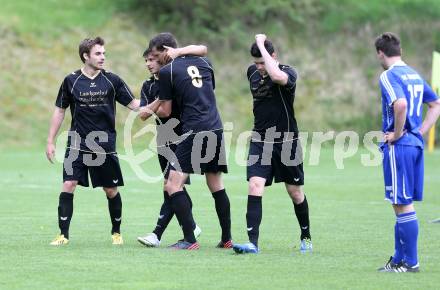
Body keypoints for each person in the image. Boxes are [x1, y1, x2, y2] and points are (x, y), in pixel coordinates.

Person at [46, 37, 140, 246]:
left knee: (110, 190)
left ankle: (116, 233)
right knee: (69, 184)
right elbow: (60, 110)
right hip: (77, 143)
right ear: (85, 56)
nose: (103, 57)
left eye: (104, 53)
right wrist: (50, 140)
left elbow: (134, 105)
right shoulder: (71, 81)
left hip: (103, 145)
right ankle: (63, 235)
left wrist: (160, 100)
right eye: (98, 53)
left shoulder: (112, 80)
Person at [148, 32, 233, 250]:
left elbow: (166, 111)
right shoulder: (205, 63)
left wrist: (150, 106)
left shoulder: (167, 72)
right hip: (215, 126)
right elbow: (206, 81)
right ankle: (226, 239)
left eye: (158, 55)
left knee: (172, 185)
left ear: (168, 50)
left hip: (193, 130)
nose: (156, 61)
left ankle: (189, 240)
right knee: (215, 184)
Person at [233, 34, 312, 254]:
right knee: (255, 185)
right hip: (260, 140)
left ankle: (306, 236)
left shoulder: (288, 72)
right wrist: (259, 58)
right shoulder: (252, 73)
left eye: (261, 62)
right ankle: (252, 243)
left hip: (287, 141)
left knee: (295, 192)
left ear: (272, 55)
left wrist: (261, 44)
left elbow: (277, 76)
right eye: (255, 62)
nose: (258, 67)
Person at [374, 32, 440, 272]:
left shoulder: (389, 76)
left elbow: (399, 104)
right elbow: (436, 104)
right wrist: (421, 131)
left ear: (381, 53)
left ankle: (410, 262)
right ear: (399, 51)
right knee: (399, 203)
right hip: (414, 145)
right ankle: (398, 258)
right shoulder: (413, 74)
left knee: (402, 204)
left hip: (400, 146)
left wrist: (399, 133)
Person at [136, 44, 209, 247]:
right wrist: (160, 100)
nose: (149, 64)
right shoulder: (148, 85)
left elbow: (165, 111)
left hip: (183, 138)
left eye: (152, 59)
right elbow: (144, 113)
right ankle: (192, 226)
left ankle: (157, 234)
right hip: (163, 140)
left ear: (163, 58)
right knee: (175, 187)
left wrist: (155, 106)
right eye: (146, 61)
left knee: (171, 186)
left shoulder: (177, 77)